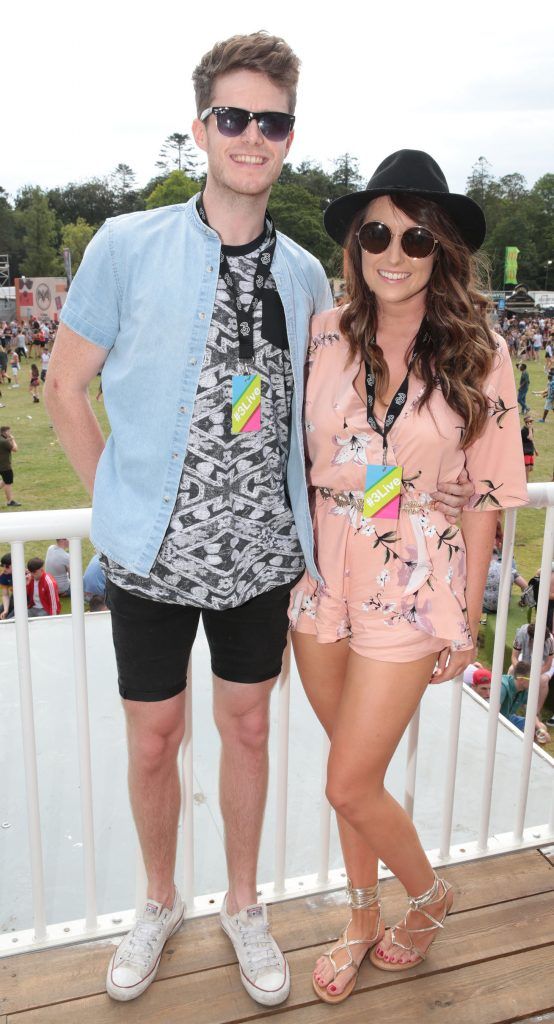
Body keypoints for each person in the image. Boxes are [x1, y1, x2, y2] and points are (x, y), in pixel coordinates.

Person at [44, 39, 472, 1008]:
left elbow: (340, 433)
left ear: (287, 138)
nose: (249, 137)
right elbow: (64, 385)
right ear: (200, 129)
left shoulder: (310, 279)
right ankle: (158, 901)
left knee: (246, 733)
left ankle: (243, 905)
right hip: (150, 561)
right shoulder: (125, 245)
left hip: (261, 567)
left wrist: (426, 504)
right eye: (231, 118)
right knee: (153, 742)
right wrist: (119, 497)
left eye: (269, 121)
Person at [289, 149, 528, 1003]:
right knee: (355, 775)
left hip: (413, 580)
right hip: (324, 577)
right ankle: (361, 917)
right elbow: (257, 418)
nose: (394, 251)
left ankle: (426, 899)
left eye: (416, 237)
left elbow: (491, 493)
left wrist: (462, 620)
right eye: (377, 233)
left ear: (443, 251)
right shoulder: (321, 333)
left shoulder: (482, 352)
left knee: (348, 779)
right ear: (355, 244)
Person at [500, 661, 549, 743]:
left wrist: (541, 730)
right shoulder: (503, 686)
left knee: (541, 727)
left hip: (508, 718)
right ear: (521, 679)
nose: (535, 683)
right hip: (499, 721)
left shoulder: (525, 690)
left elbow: (531, 712)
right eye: (532, 679)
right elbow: (492, 713)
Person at [482, 548, 527, 613]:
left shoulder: (481, 570)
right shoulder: (509, 569)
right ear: (497, 557)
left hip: (485, 607)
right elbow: (525, 586)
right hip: (503, 608)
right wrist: (523, 601)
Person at [0, 425, 22, 507]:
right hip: (5, 466)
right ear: (4, 432)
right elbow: (15, 449)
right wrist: (12, 439)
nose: (10, 433)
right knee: (8, 483)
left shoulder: (2, 440)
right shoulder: (5, 442)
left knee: (4, 480)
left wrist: (8, 439)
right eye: (9, 432)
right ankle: (10, 501)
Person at [521, 414, 537, 481]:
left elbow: (532, 439)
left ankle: (523, 478)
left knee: (530, 468)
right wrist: (530, 429)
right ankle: (526, 483)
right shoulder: (523, 430)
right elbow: (529, 438)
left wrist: (535, 449)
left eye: (531, 421)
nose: (531, 423)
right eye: (530, 421)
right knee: (527, 469)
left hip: (530, 451)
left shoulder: (531, 429)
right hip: (526, 451)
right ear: (526, 422)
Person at [0, 551, 14, 619]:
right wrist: (6, 610)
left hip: (27, 600)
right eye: (2, 565)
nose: (4, 569)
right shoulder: (3, 575)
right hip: (14, 598)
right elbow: (5, 595)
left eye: (7, 567)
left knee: (9, 619)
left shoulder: (26, 574)